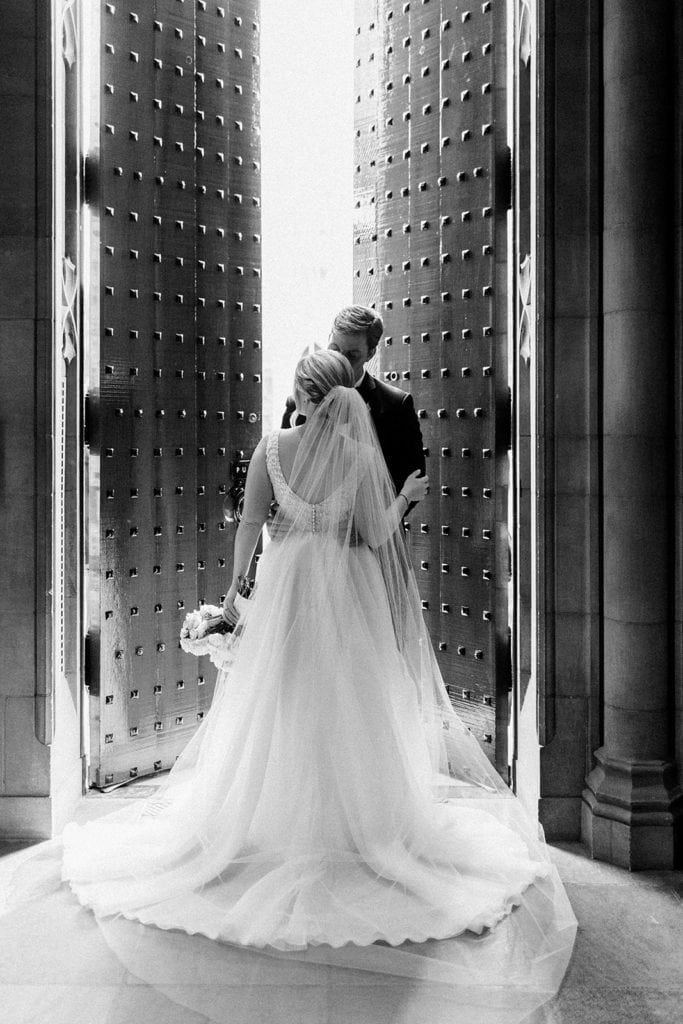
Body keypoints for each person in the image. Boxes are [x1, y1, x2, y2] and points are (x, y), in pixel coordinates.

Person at [61, 350, 576, 1021]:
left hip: (285, 593)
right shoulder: (360, 460)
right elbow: (372, 535)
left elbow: (250, 529)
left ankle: (269, 822)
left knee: (278, 707)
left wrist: (229, 604)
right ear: (345, 394)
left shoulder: (271, 449)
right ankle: (360, 827)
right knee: (351, 710)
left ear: (302, 393)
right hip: (348, 598)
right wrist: (406, 498)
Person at [282, 305, 425, 503]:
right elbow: (284, 471)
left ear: (371, 353)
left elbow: (413, 479)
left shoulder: (396, 405)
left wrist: (376, 523)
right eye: (334, 349)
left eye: (352, 355)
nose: (340, 359)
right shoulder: (299, 400)